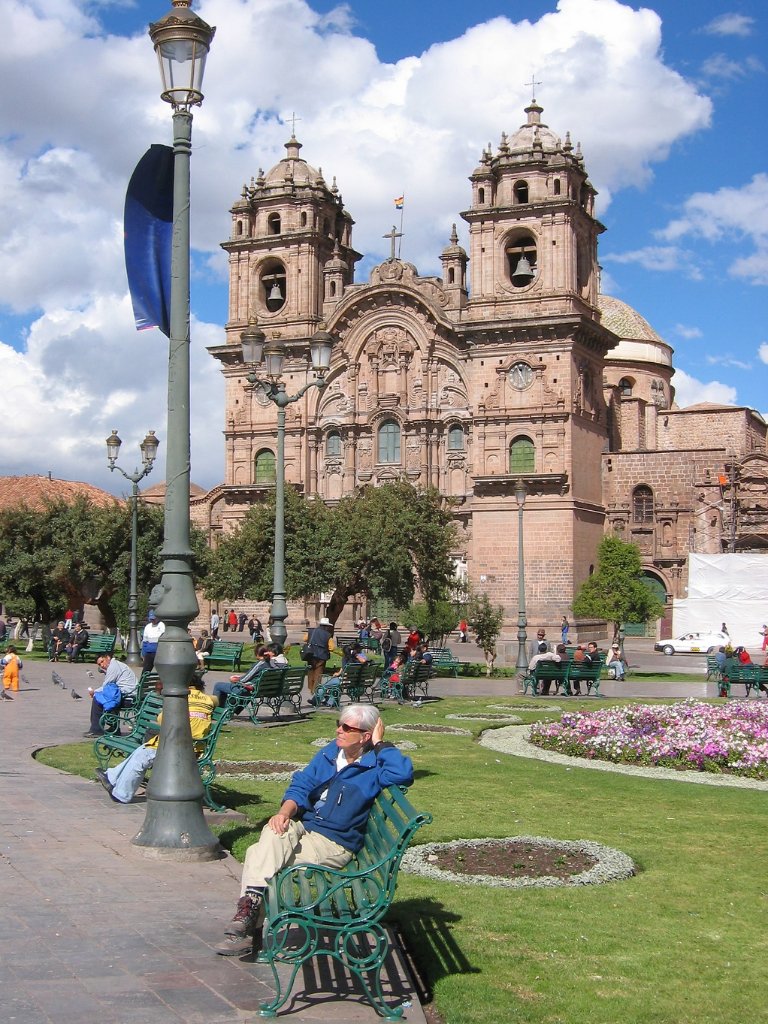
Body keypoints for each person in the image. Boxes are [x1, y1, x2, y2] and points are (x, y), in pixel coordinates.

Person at [215, 703, 414, 956]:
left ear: (365, 736)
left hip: (333, 842)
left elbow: (402, 774)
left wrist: (380, 744)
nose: (339, 731)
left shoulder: (374, 766)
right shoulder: (331, 752)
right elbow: (302, 783)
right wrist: (284, 813)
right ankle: (250, 916)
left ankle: (247, 922)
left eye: (347, 727)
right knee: (275, 831)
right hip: (305, 827)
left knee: (258, 854)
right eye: (339, 724)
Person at [95, 677, 216, 804]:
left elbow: (162, 719)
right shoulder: (207, 699)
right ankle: (111, 776)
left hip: (177, 747)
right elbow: (214, 701)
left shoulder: (180, 698)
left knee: (142, 757)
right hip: (191, 745)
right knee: (142, 750)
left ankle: (122, 794)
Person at [84, 653, 138, 737]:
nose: (102, 665)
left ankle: (96, 730)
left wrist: (94, 692)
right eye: (99, 664)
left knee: (97, 699)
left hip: (128, 698)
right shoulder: (118, 665)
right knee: (108, 697)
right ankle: (114, 728)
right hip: (132, 696)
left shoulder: (113, 667)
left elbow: (106, 687)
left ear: (108, 658)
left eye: (102, 661)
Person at [305, 617, 335, 706]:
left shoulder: (311, 631)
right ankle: (315, 689)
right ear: (327, 626)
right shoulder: (328, 635)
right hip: (321, 656)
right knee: (318, 673)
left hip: (310, 654)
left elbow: (305, 639)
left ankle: (311, 687)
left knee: (311, 671)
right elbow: (332, 648)